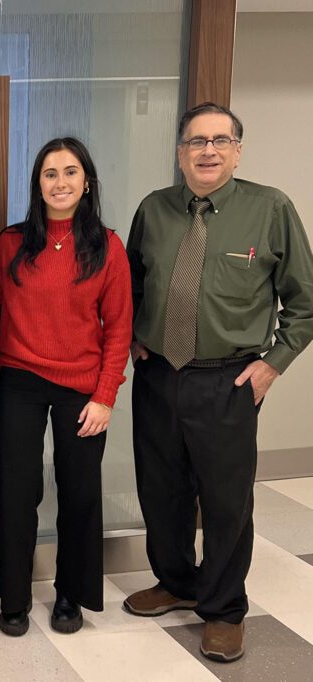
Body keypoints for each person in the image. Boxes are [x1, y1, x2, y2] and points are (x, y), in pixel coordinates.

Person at [123, 102, 313, 663]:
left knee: (226, 500)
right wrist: (132, 334)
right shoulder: (154, 209)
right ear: (180, 152)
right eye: (196, 141)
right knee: (161, 489)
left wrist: (274, 363)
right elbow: (131, 283)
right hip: (159, 375)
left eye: (220, 141)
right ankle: (177, 581)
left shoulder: (270, 208)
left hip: (228, 381)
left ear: (237, 151)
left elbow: (304, 302)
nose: (208, 151)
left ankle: (225, 608)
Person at [0, 138, 132, 636]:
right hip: (20, 381)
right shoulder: (13, 243)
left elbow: (119, 328)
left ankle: (70, 594)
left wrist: (105, 396)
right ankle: (13, 597)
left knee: (80, 493)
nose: (59, 183)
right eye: (49, 173)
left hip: (82, 388)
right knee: (16, 490)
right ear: (37, 183)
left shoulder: (107, 246)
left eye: (69, 172)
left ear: (87, 182)